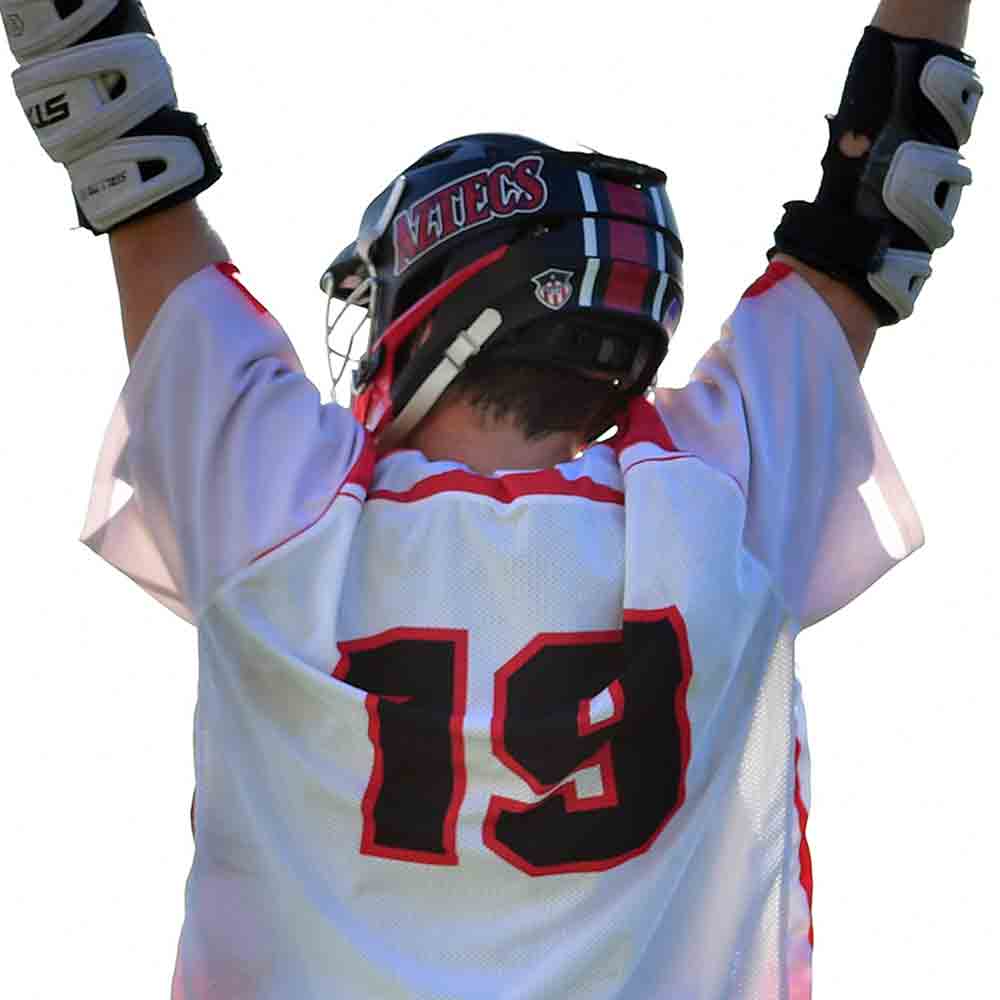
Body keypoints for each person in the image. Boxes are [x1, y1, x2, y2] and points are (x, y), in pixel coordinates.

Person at [3, 0, 980, 997]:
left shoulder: (280, 502)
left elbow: (115, 132)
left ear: (440, 307)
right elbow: (879, 199)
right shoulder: (709, 507)